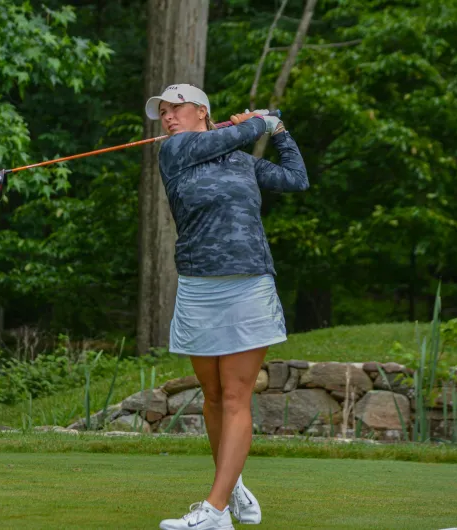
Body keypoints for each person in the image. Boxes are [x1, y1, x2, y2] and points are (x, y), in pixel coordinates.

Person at [144, 84, 309, 530]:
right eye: (162, 112)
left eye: (174, 108)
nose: (167, 117)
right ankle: (230, 483)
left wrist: (281, 132)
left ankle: (216, 511)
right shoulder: (174, 152)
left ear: (201, 111)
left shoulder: (241, 161)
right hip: (199, 286)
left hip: (248, 284)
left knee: (235, 396)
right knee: (213, 395)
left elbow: (296, 178)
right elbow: (225, 137)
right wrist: (263, 119)